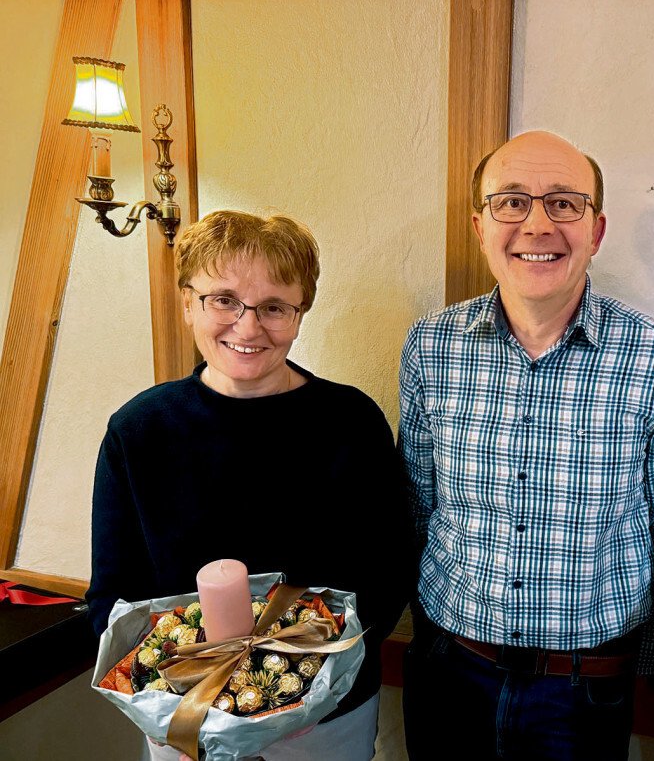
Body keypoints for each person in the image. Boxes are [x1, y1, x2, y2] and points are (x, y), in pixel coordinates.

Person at [398, 130, 654, 760]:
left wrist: (648, 668)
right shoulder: (430, 347)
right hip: (449, 673)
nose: (537, 224)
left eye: (564, 203)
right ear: (480, 226)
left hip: (584, 694)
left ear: (597, 229)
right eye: (512, 202)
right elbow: (417, 505)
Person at [86, 210, 413, 761]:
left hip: (326, 717)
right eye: (224, 299)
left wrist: (313, 682)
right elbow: (114, 592)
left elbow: (389, 565)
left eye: (274, 307)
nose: (248, 325)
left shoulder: (350, 420)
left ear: (300, 313)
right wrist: (177, 690)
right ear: (188, 302)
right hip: (186, 712)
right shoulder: (139, 430)